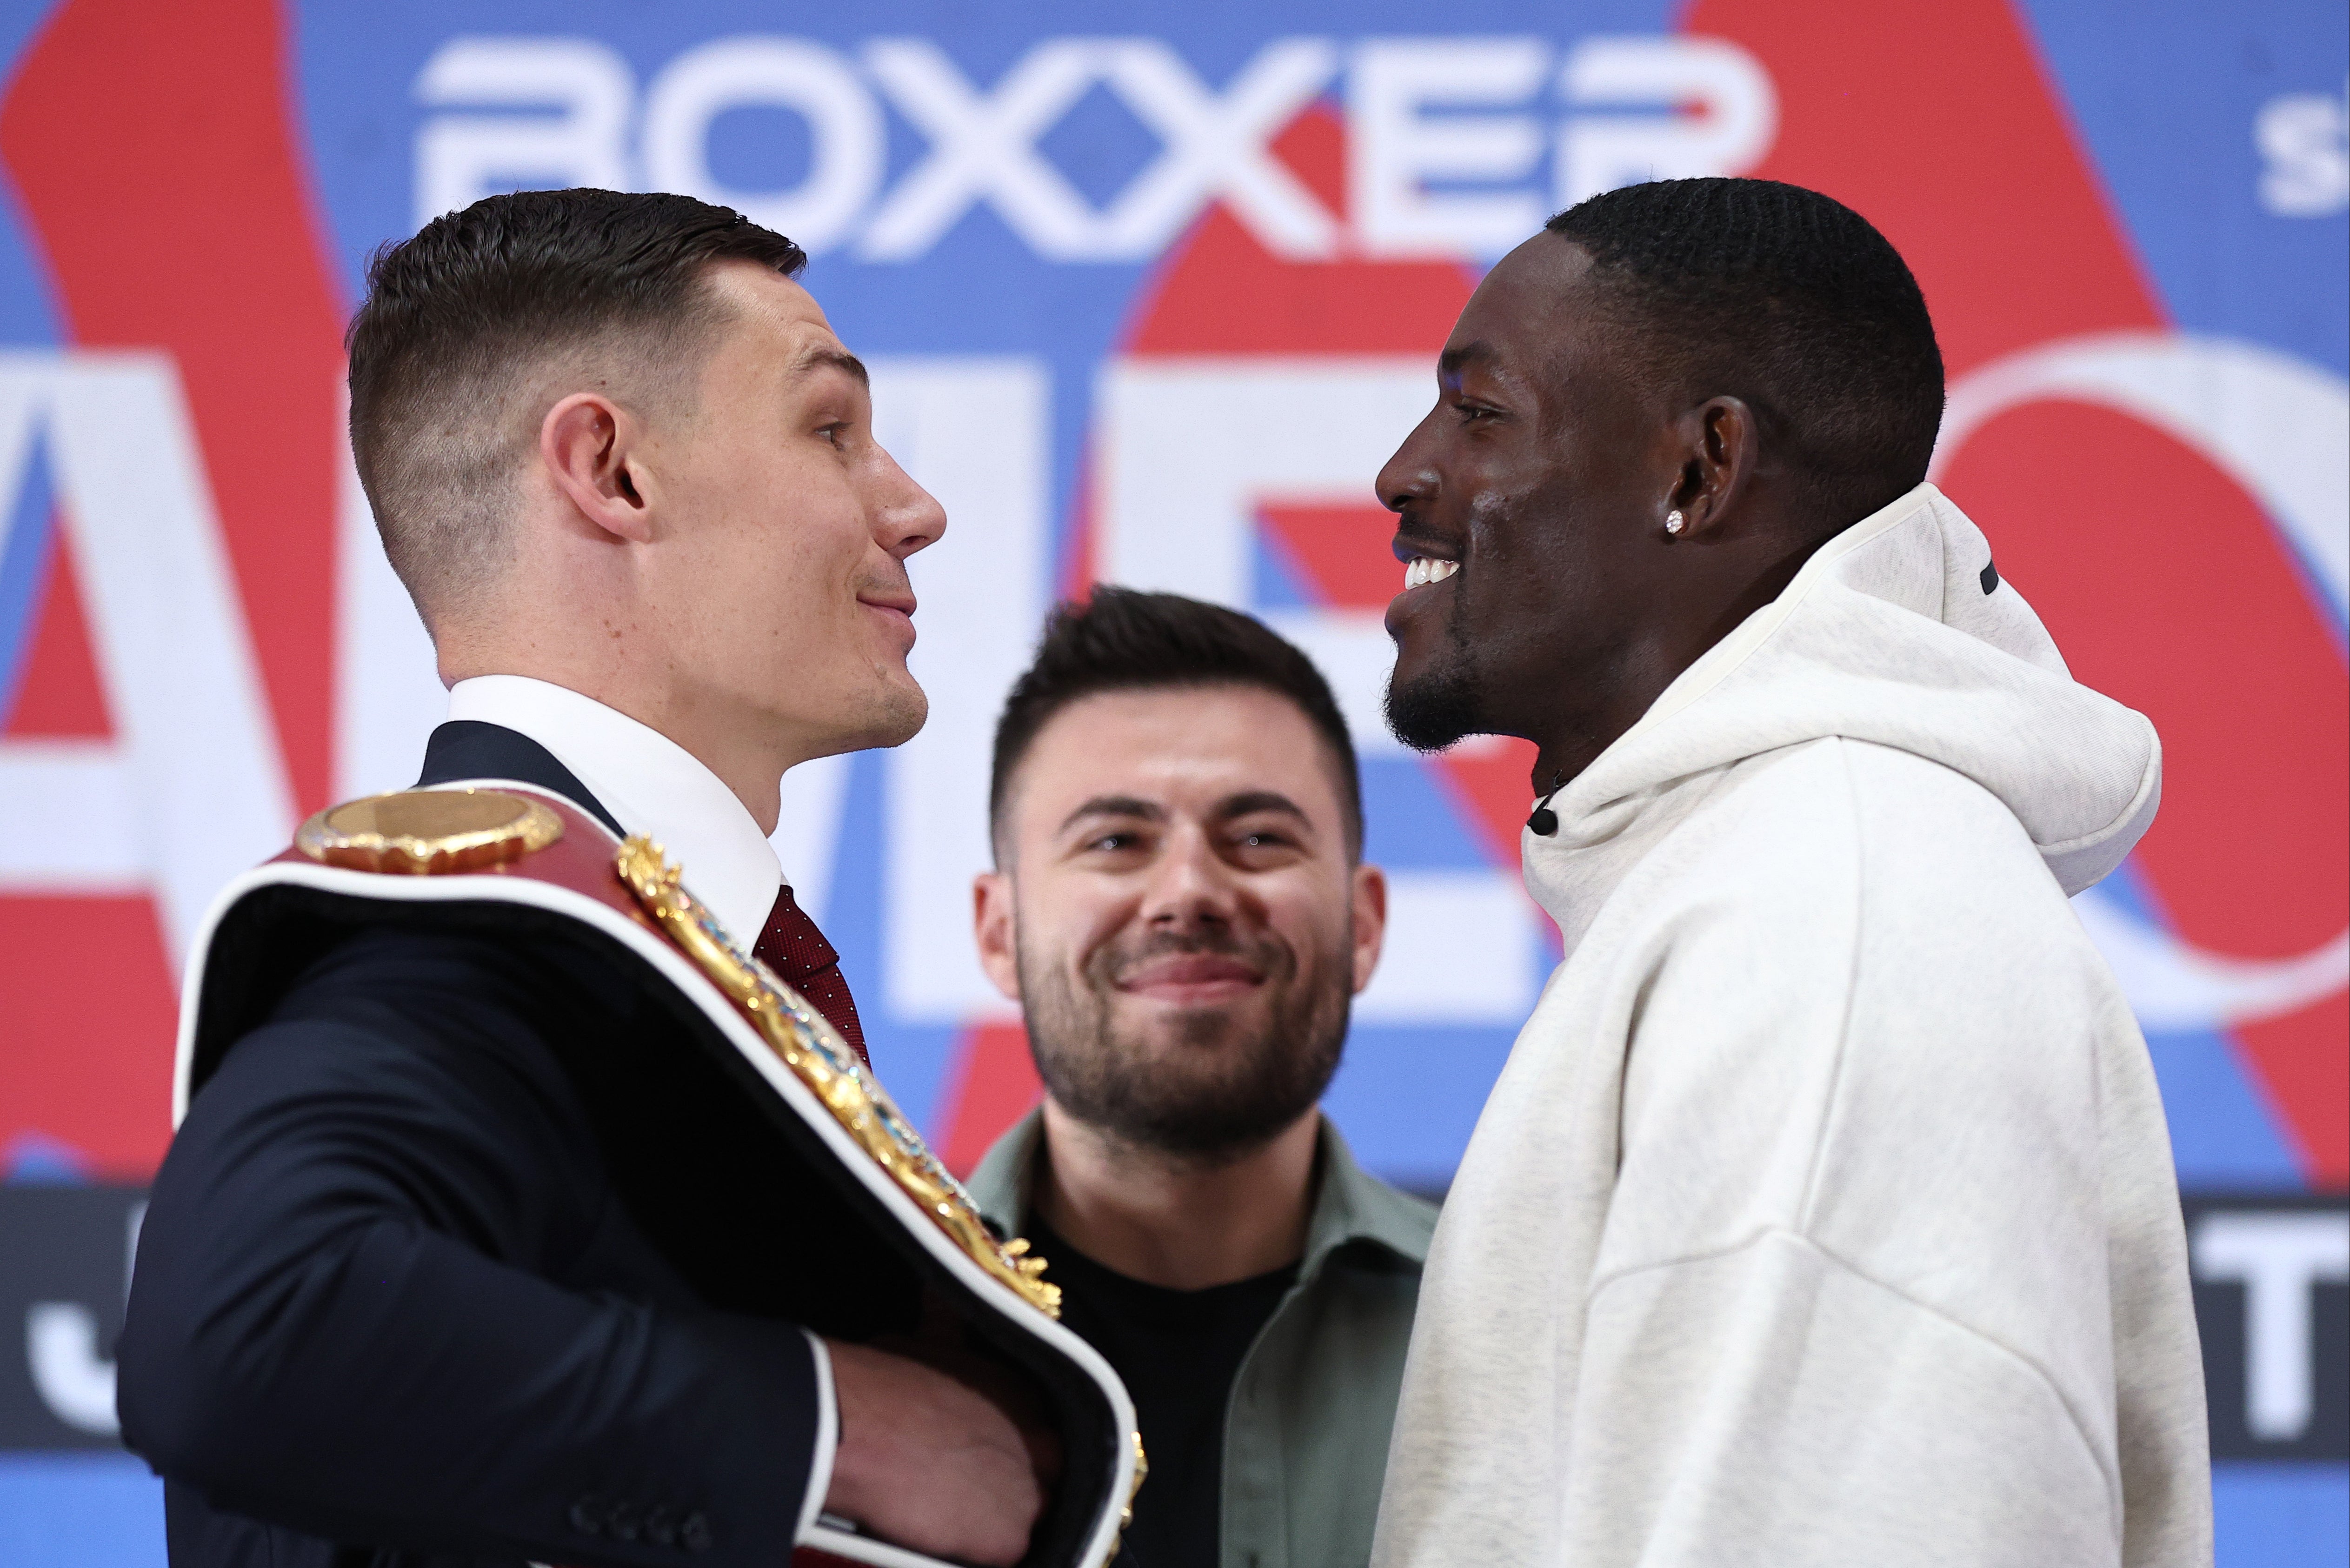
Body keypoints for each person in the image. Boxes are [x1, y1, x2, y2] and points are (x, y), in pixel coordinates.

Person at [118, 189, 1059, 1568]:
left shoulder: (637, 952)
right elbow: (240, 1323)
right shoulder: (487, 939)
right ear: (611, 473)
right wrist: (848, 1428)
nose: (912, 506)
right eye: (828, 429)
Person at [1367, 178, 2209, 1567]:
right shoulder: (1778, 879)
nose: (1403, 473)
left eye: (1476, 413)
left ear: (1696, 473)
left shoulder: (1839, 914)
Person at [965, 588, 1438, 1568]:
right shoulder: (854, 1335)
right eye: (1114, 842)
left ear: (1363, 925)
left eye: (1260, 837)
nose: (1189, 892)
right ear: (999, 932)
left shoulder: (1534, 1328)